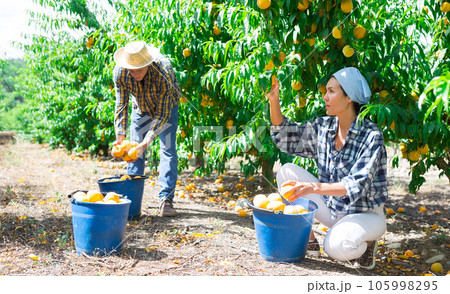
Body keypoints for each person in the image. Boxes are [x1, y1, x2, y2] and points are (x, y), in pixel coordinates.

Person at [268, 67, 388, 270]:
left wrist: (314, 188)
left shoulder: (371, 135)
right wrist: (274, 100)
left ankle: (366, 243)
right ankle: (308, 236)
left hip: (365, 214)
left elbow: (355, 185)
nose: (325, 97)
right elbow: (288, 137)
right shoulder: (324, 127)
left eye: (331, 91)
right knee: (286, 172)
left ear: (349, 97)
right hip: (333, 208)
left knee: (336, 248)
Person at [112, 41, 181, 217]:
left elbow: (162, 115)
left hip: (167, 107)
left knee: (167, 149)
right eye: (130, 69)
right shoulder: (120, 72)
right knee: (135, 152)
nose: (134, 73)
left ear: (148, 64)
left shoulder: (164, 71)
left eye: (138, 69)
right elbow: (121, 105)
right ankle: (132, 202)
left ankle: (166, 200)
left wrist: (146, 142)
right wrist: (120, 138)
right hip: (140, 108)